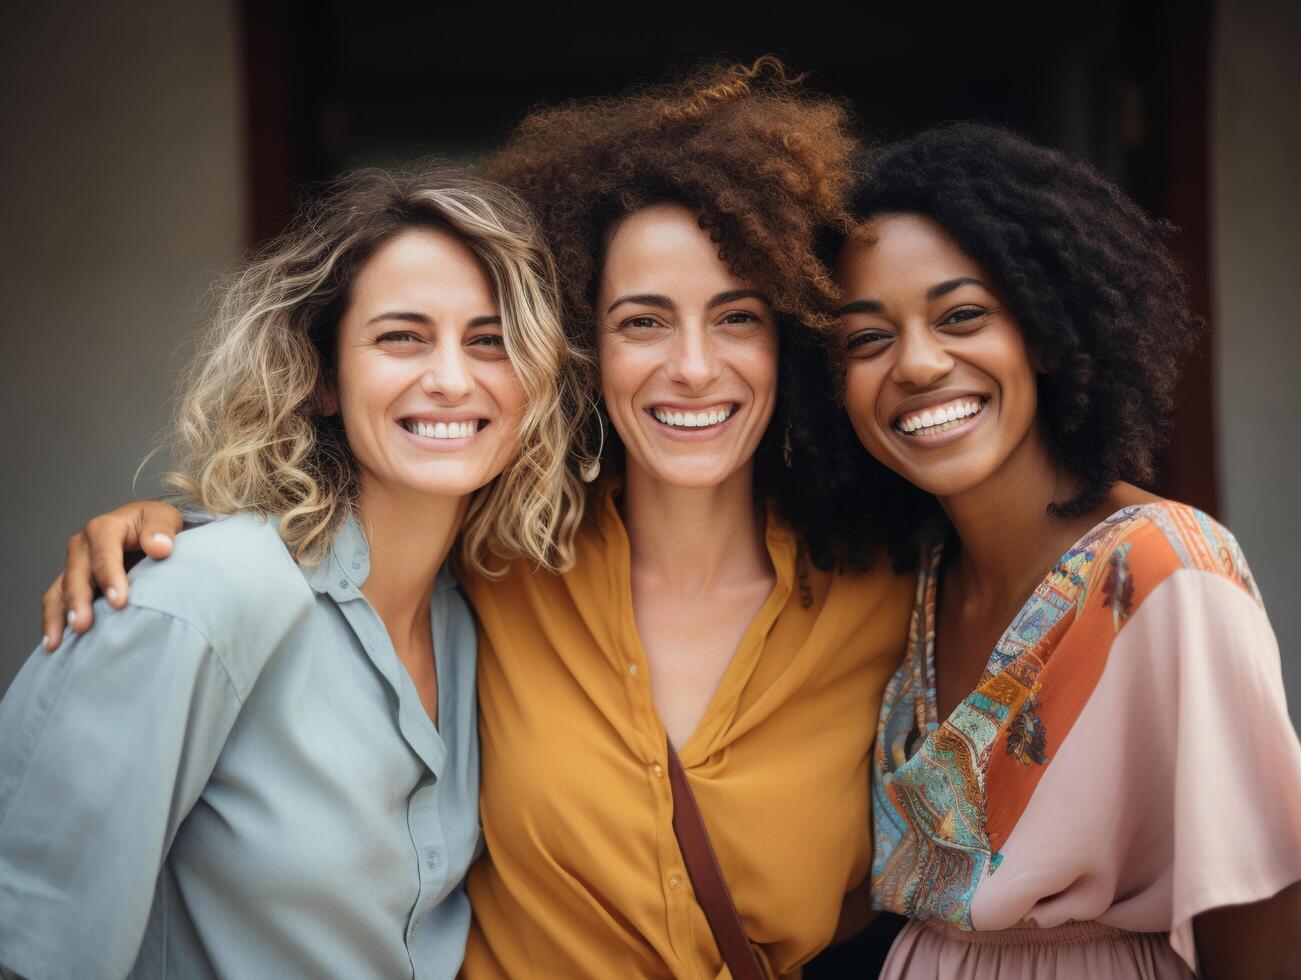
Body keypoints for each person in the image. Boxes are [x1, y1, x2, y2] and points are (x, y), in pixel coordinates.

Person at [34, 60, 917, 977]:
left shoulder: (883, 595)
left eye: (737, 318)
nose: (693, 367)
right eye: (642, 321)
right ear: (579, 346)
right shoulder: (504, 570)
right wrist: (179, 540)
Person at [1, 165, 586, 978]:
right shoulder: (200, 597)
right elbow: (30, 945)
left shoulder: (474, 615)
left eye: (490, 341)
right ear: (319, 379)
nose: (453, 378)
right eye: (401, 337)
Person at [802, 122, 1301, 978]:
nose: (917, 364)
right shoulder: (920, 579)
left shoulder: (1166, 572)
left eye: (961, 315)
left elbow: (1260, 918)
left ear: (1040, 327)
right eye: (866, 339)